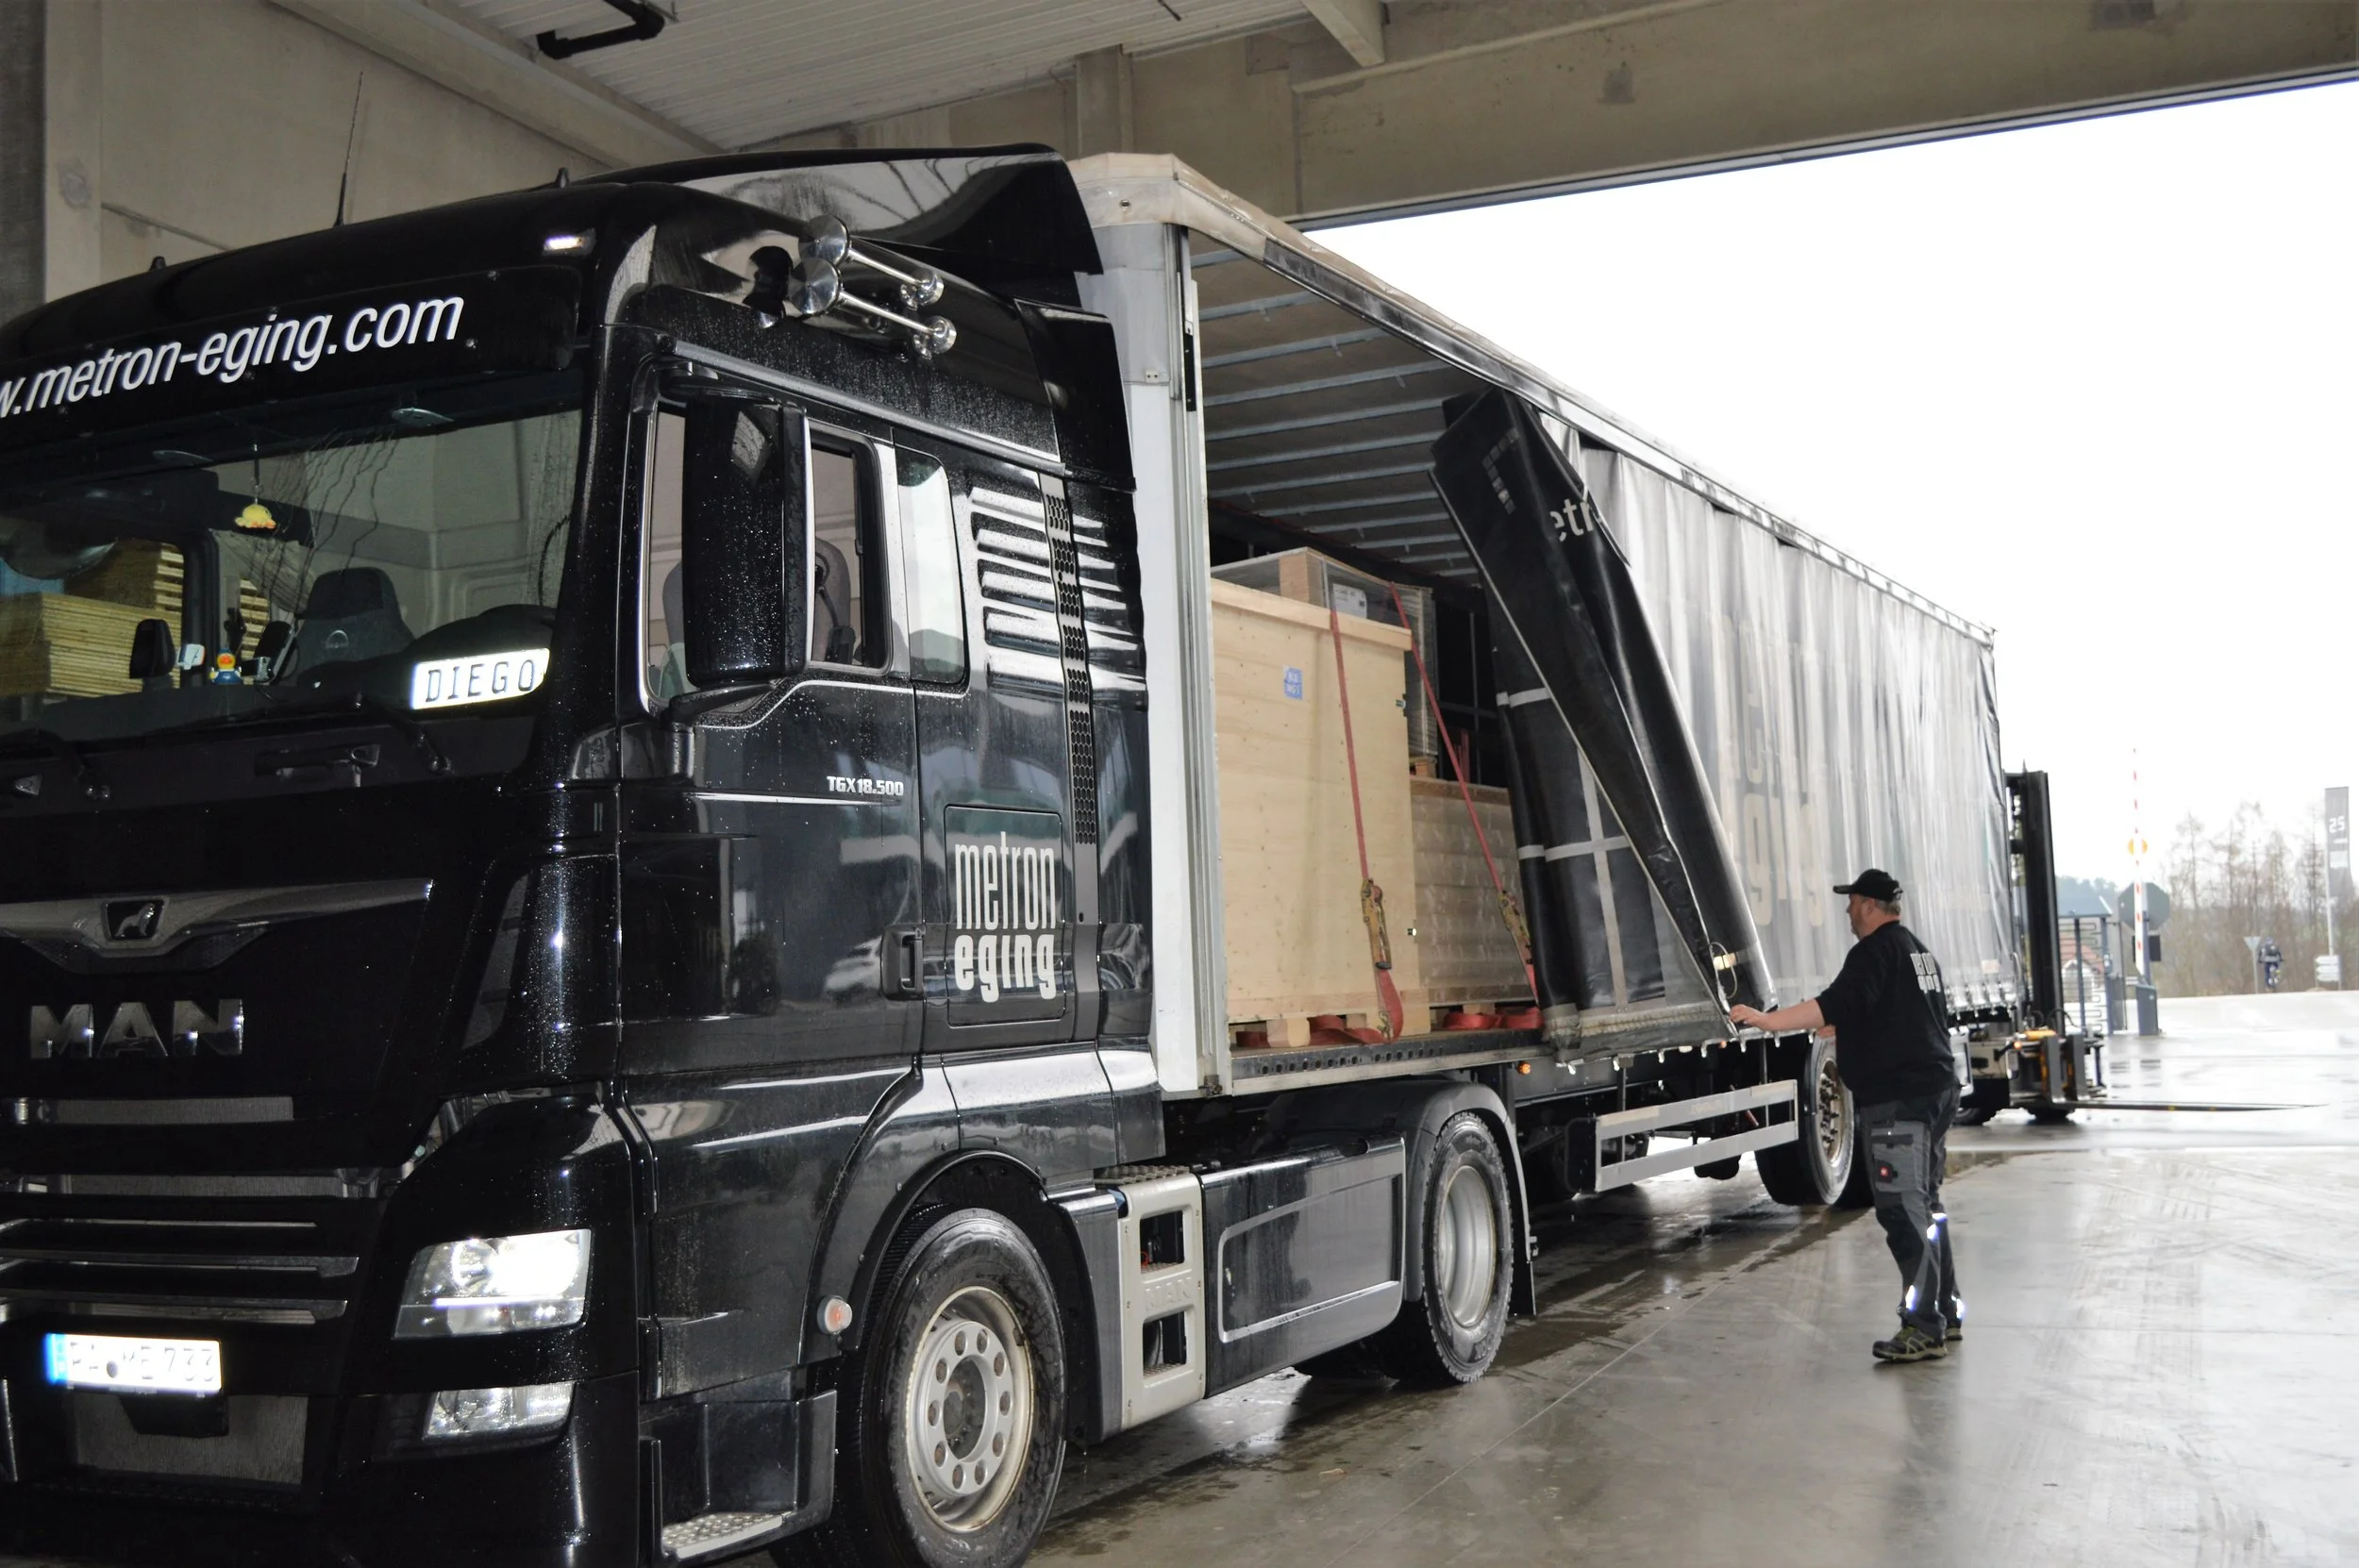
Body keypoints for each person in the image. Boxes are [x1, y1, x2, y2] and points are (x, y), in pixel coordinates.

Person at [1730, 869, 1963, 1363]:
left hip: (1900, 1101)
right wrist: (1851, 1028)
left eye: (1853, 902)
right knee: (1926, 1205)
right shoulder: (1917, 951)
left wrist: (1767, 1020)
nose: (1848, 911)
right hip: (1936, 1090)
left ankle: (1924, 1327)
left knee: (1903, 1210)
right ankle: (1945, 1310)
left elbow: (1827, 1005)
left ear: (1872, 906)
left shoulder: (1872, 953)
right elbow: (1908, 1016)